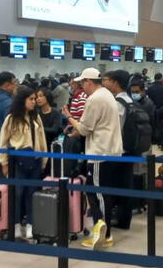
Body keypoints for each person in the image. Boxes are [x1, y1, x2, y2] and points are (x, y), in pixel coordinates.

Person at [62, 68, 122, 250]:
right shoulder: (107, 94)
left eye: (82, 84)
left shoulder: (94, 99)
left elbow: (85, 129)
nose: (81, 87)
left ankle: (102, 234)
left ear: (89, 81)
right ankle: (107, 233)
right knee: (103, 193)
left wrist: (69, 117)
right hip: (111, 151)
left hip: (99, 153)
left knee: (97, 194)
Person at [0, 86, 48, 240]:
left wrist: (44, 159)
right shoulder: (11, 118)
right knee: (17, 194)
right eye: (31, 99)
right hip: (17, 161)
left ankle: (31, 225)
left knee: (32, 194)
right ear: (22, 100)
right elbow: (3, 142)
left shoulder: (36, 118)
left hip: (35, 159)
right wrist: (4, 162)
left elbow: (42, 139)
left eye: (35, 99)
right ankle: (16, 225)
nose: (34, 102)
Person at [102, 70, 134, 230]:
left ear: (115, 82)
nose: (104, 82)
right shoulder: (130, 100)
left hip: (117, 151)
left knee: (112, 184)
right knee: (126, 184)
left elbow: (113, 128)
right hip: (130, 150)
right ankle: (124, 220)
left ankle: (112, 218)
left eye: (106, 79)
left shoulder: (117, 103)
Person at [36, 87, 62, 176]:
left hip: (51, 146)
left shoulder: (56, 112)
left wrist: (40, 129)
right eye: (37, 97)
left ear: (47, 97)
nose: (38, 99)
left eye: (41, 96)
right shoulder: (36, 113)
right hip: (39, 146)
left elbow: (55, 129)